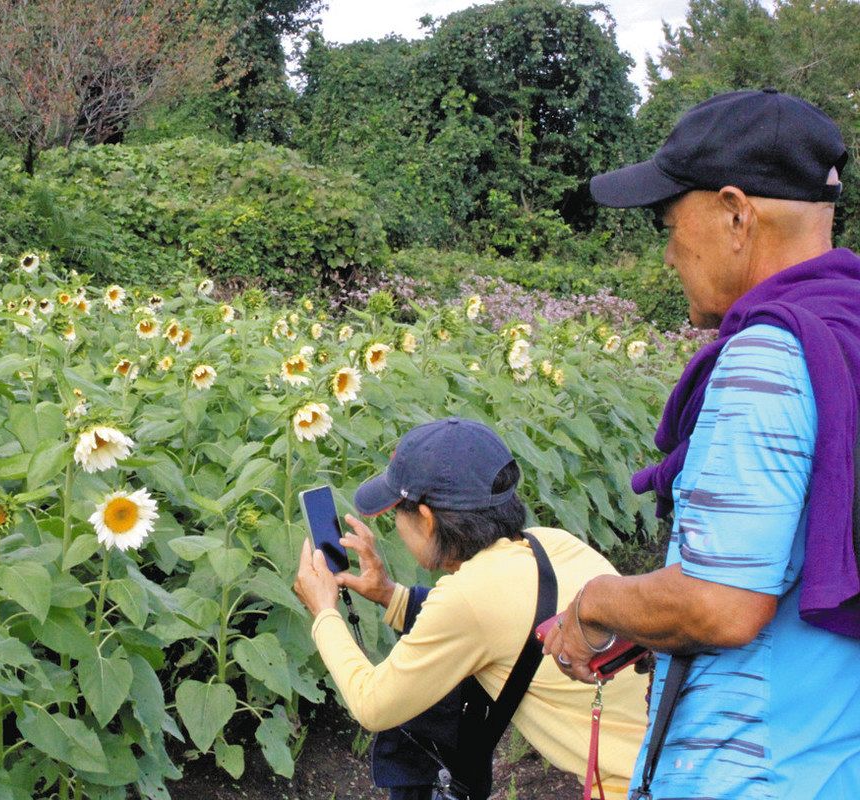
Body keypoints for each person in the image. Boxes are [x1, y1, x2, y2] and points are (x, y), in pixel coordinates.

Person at [542, 88, 860, 799]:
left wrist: (595, 605)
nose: (666, 255)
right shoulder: (847, 336)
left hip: (751, 772)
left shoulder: (769, 356)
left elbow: (722, 604)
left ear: (736, 213)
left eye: (668, 222)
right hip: (834, 751)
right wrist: (650, 627)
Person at [294, 417, 648, 799]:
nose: (395, 524)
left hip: (633, 786)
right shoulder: (554, 543)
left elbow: (372, 704)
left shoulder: (469, 598)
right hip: (680, 751)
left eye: (397, 511)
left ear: (427, 520)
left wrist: (324, 611)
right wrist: (388, 594)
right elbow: (499, 620)